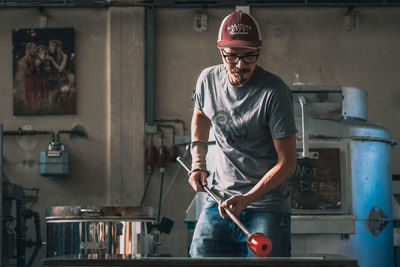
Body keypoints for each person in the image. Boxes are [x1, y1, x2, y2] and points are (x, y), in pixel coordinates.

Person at [189, 10, 297, 257]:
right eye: (233, 56)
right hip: (219, 202)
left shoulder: (274, 92)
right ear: (221, 51)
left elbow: (288, 163)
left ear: (258, 50)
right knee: (198, 257)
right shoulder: (208, 80)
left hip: (266, 206)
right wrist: (198, 163)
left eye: (249, 56)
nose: (241, 65)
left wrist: (248, 198)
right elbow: (201, 115)